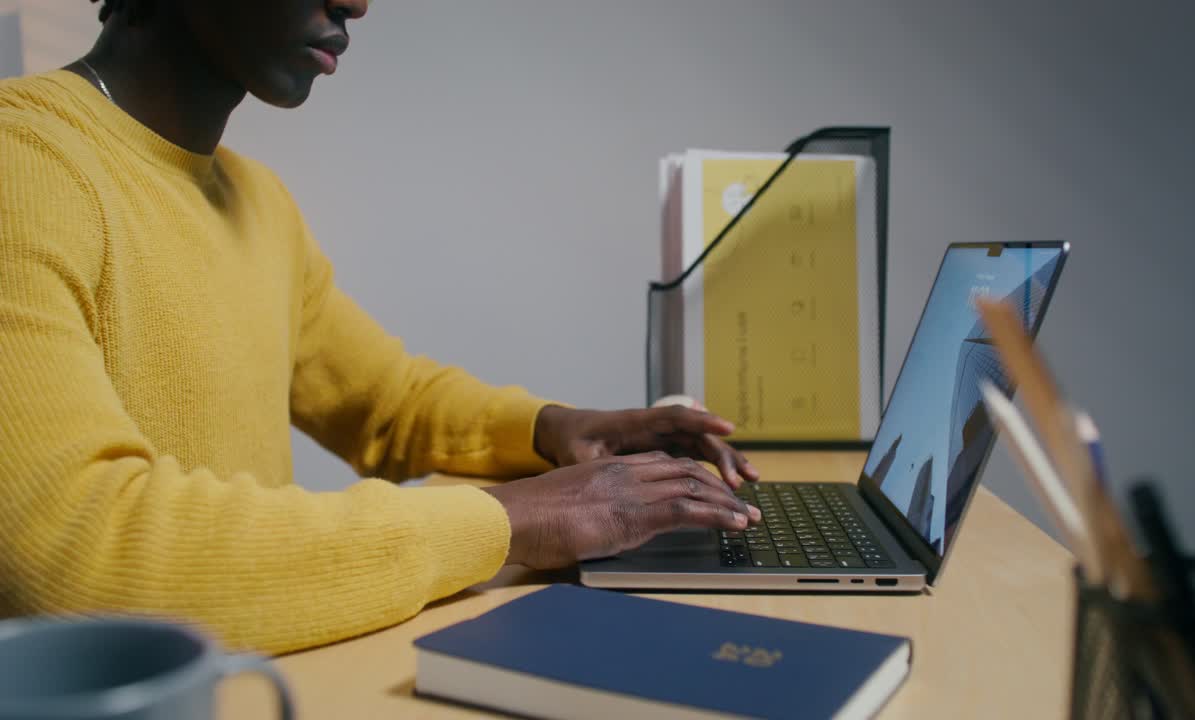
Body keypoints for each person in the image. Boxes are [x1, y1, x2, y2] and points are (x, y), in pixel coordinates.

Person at [0, 0, 761, 655]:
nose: (357, 4)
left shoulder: (258, 200)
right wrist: (514, 517)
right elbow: (70, 551)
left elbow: (389, 403)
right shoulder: (23, 163)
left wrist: (555, 429)